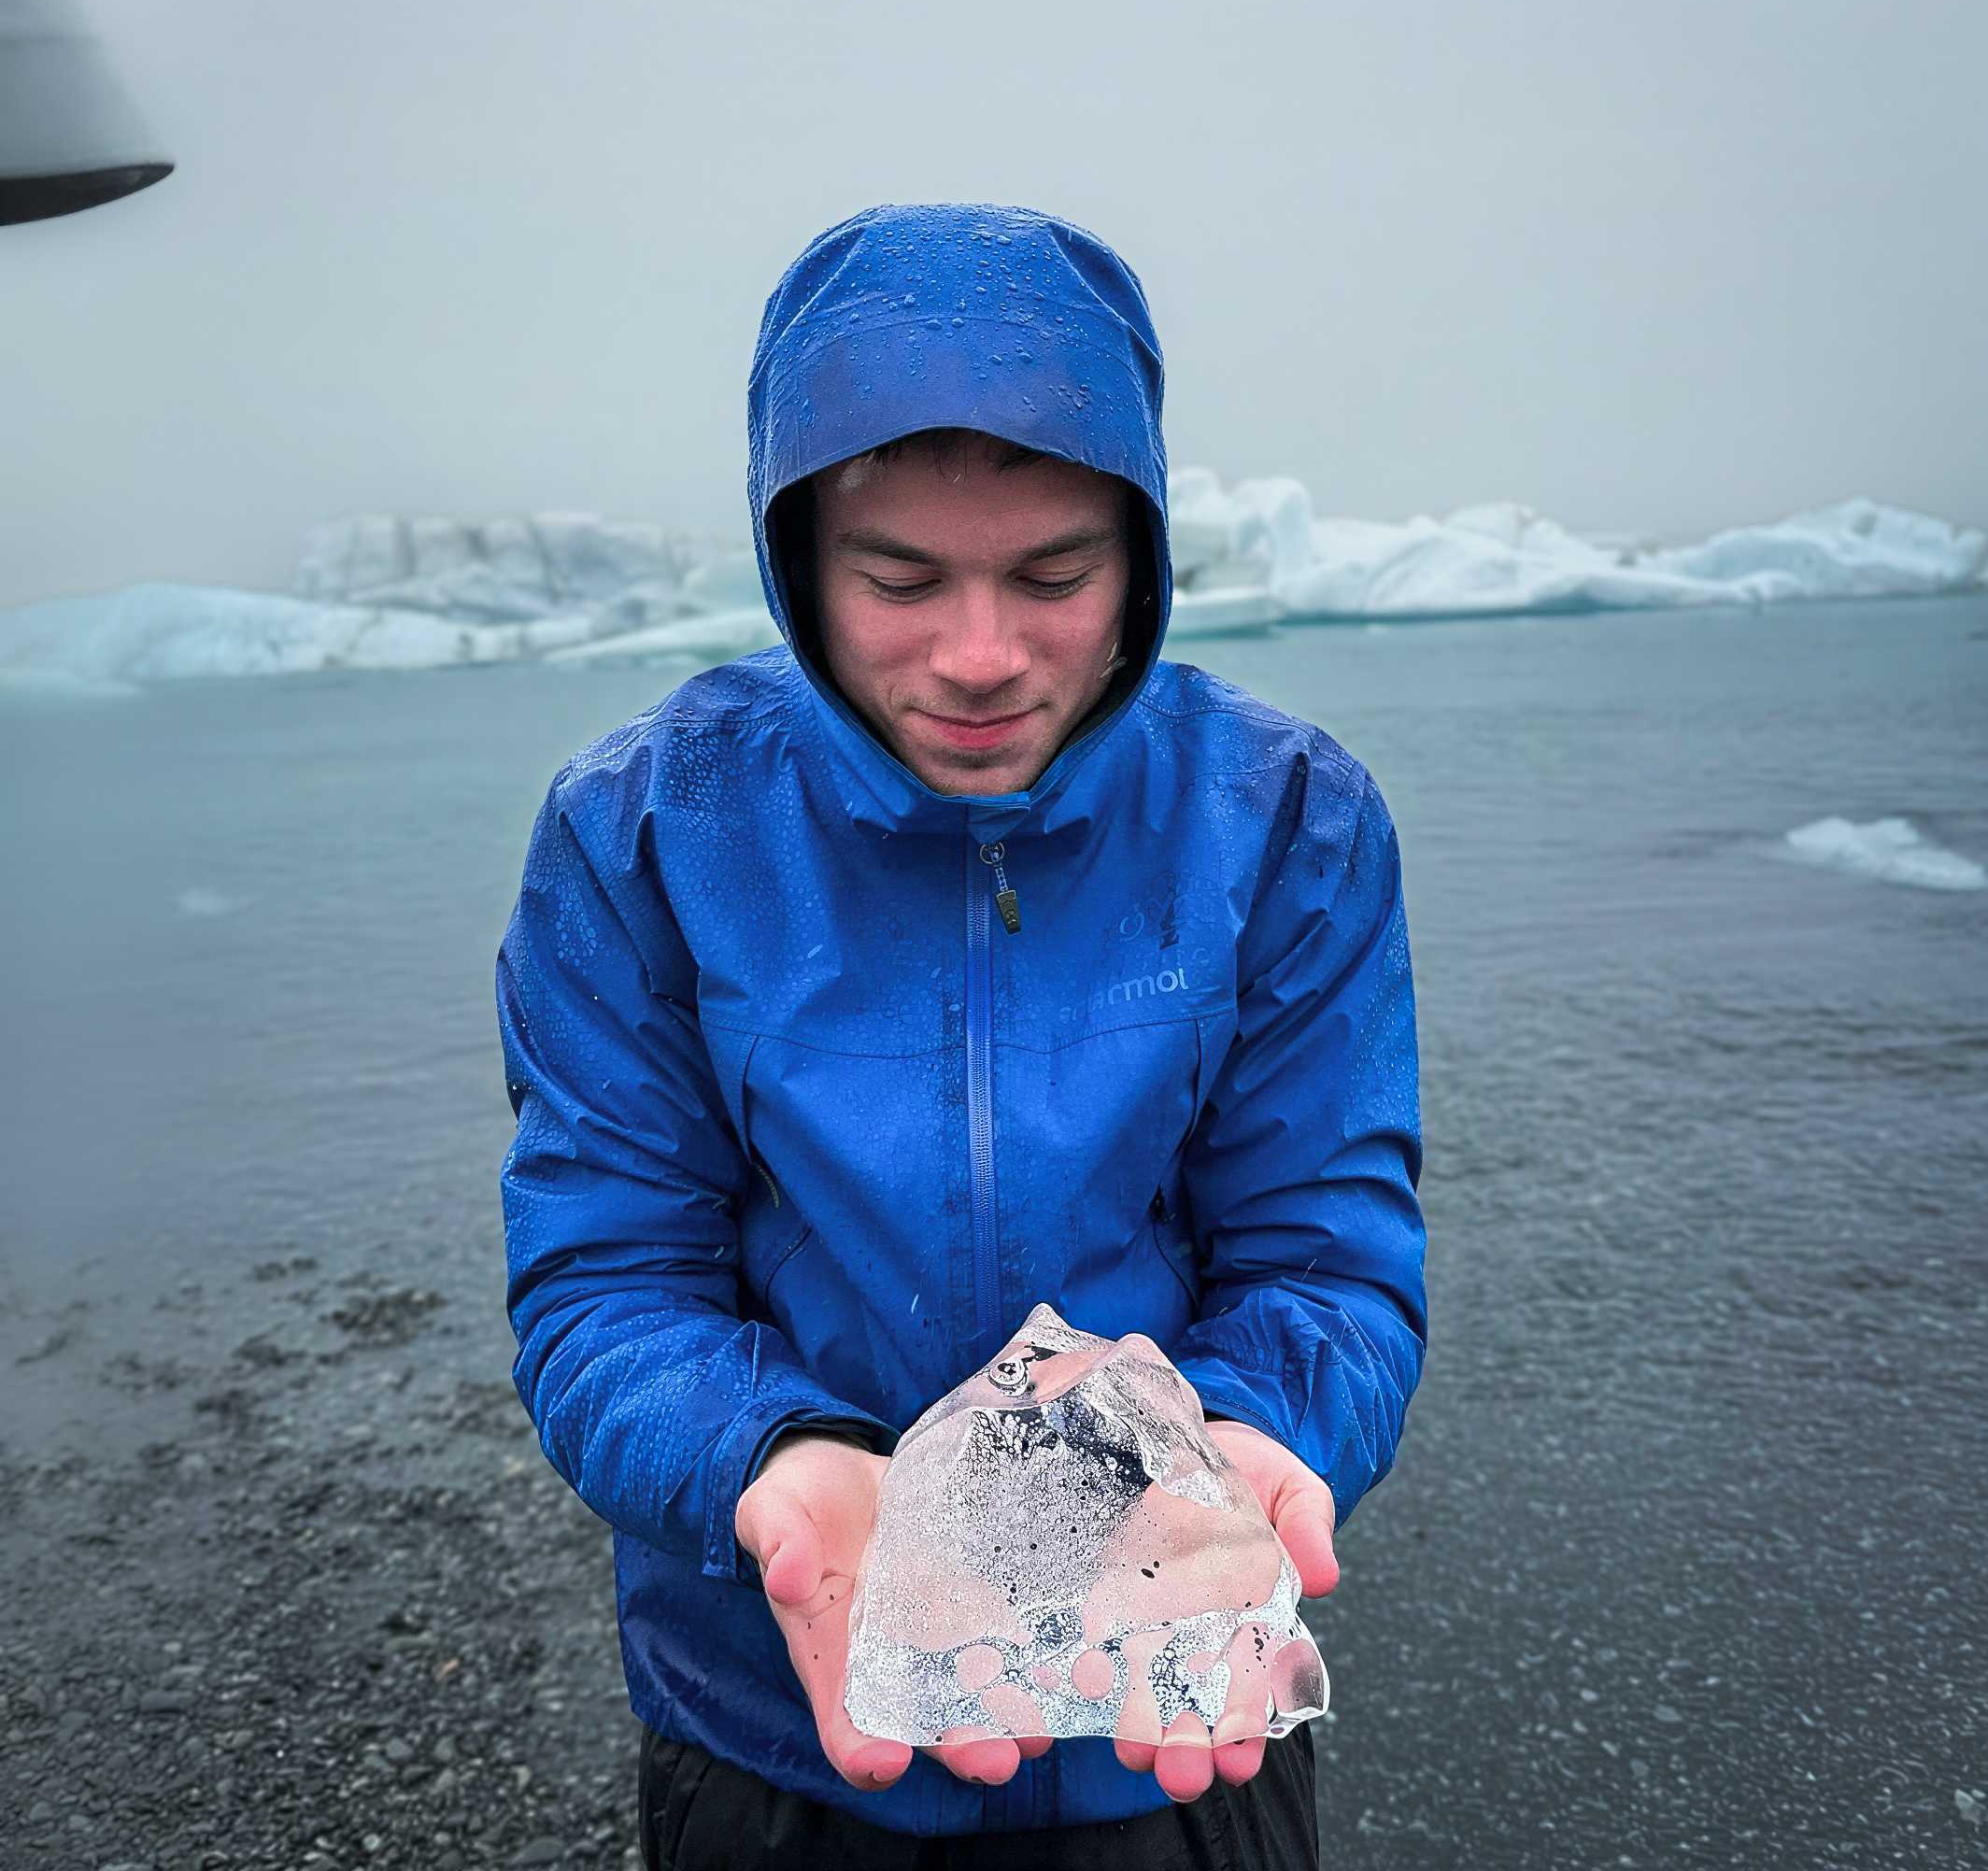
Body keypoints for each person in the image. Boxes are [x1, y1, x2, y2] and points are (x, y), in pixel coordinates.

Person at [495, 202, 1427, 1867]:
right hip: (780, 1707)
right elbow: (604, 1285)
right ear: (799, 561)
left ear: (1142, 554)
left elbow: (1327, 1260)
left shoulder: (1288, 820)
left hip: (1172, 1694)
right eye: (901, 580)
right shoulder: (641, 831)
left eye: (1053, 576)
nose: (981, 657)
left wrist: (1225, 1451)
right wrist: (771, 1462)